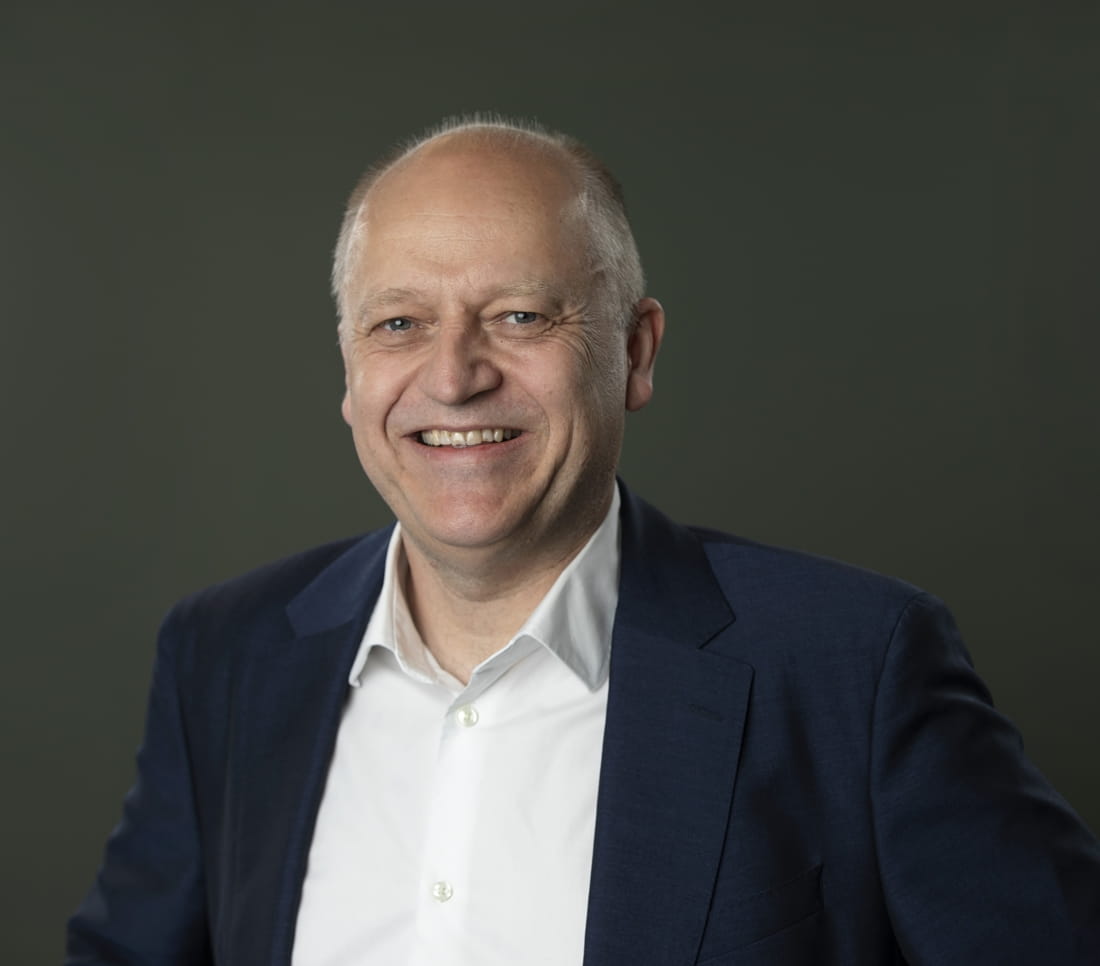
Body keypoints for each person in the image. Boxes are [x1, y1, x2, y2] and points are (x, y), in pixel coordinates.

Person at [67, 117, 1100, 965]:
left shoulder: (853, 668)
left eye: (518, 316)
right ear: (348, 371)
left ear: (634, 354)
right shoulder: (228, 656)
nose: (453, 374)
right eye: (398, 325)